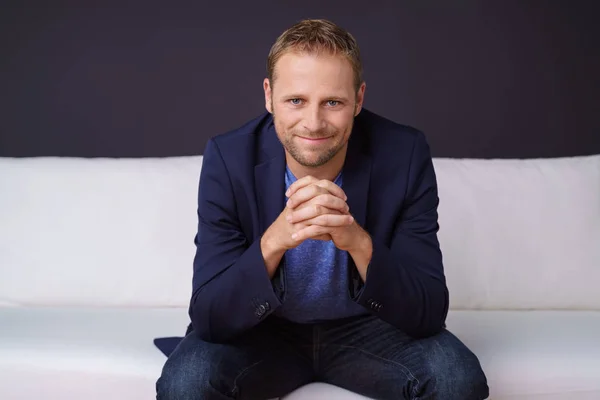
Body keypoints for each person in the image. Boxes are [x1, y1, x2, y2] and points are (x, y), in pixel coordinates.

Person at [157, 18, 489, 400]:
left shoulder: (405, 153)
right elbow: (209, 316)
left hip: (368, 330)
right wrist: (276, 240)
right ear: (268, 96)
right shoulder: (228, 157)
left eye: (333, 102)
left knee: (455, 377)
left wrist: (357, 241)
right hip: (264, 332)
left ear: (359, 100)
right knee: (187, 380)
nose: (313, 124)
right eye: (295, 100)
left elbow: (429, 311)